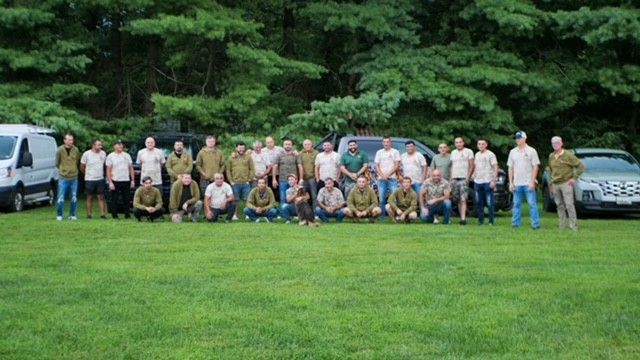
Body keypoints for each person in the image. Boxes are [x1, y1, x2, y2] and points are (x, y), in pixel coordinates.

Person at [548, 136, 585, 230]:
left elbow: (580, 166)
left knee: (569, 204)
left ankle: (573, 226)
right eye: (553, 143)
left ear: (561, 143)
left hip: (566, 183)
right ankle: (562, 225)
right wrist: (551, 184)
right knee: (559, 205)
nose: (555, 144)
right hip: (555, 184)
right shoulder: (551, 156)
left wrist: (574, 178)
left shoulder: (568, 155)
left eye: (557, 142)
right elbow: (550, 170)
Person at [507, 131, 541, 229]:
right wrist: (511, 182)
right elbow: (510, 167)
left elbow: (535, 166)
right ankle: (515, 224)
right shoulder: (513, 152)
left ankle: (535, 224)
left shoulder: (531, 151)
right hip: (517, 183)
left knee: (532, 204)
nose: (518, 140)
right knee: (516, 204)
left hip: (528, 182)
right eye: (517, 138)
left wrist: (532, 181)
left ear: (525, 139)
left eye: (520, 138)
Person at [471, 138, 498, 225]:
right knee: (479, 202)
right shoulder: (477, 154)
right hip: (478, 181)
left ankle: (491, 221)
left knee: (490, 202)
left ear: (486, 145)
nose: (481, 146)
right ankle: (481, 221)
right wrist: (473, 175)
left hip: (488, 180)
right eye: (479, 144)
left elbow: (495, 167)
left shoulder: (490, 154)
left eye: (483, 144)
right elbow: (476, 166)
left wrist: (494, 180)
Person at [106, 139, 135, 219]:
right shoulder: (110, 156)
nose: (120, 146)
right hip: (115, 180)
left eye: (121, 144)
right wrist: (110, 182)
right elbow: (108, 170)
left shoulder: (127, 155)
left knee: (126, 198)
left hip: (125, 180)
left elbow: (131, 168)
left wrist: (132, 180)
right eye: (118, 145)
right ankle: (114, 215)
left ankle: (127, 214)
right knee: (114, 199)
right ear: (114, 146)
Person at [272, 138, 303, 211]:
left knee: (295, 197)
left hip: (294, 181)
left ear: (292, 145)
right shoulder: (279, 155)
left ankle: (296, 212)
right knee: (283, 197)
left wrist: (301, 178)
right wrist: (274, 179)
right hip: (283, 180)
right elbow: (275, 166)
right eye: (286, 144)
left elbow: (300, 166)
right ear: (283, 145)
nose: (287, 146)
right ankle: (284, 214)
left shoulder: (296, 155)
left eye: (289, 144)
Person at [226, 141, 255, 219]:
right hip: (235, 183)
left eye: (243, 148)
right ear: (236, 148)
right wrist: (231, 181)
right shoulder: (231, 157)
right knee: (236, 200)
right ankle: (235, 215)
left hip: (246, 182)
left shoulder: (248, 157)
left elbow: (252, 169)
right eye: (239, 148)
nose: (241, 149)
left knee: (247, 199)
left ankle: (248, 214)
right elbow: (228, 170)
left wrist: (249, 179)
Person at [55, 133, 81, 221]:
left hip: (74, 177)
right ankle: (59, 215)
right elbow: (57, 163)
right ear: (65, 140)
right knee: (61, 197)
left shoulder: (76, 150)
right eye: (69, 140)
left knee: (74, 197)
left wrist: (73, 169)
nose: (71, 142)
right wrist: (63, 169)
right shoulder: (60, 150)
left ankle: (72, 214)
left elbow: (77, 160)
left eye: (72, 140)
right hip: (63, 177)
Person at [449, 137, 474, 225]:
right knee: (457, 199)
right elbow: (452, 166)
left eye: (460, 142)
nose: (458, 144)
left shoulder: (469, 152)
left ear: (463, 143)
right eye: (456, 142)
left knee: (463, 199)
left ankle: (463, 219)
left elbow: (471, 165)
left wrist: (468, 177)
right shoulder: (453, 152)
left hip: (463, 178)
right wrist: (450, 179)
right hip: (454, 179)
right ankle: (461, 216)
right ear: (455, 144)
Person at [374, 136, 401, 219]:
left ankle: (395, 215)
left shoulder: (395, 152)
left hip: (392, 178)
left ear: (390, 143)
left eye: (387, 142)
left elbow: (397, 165)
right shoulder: (379, 152)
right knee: (382, 198)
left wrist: (388, 175)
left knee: (394, 198)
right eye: (384, 142)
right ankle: (382, 216)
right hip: (381, 179)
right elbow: (376, 165)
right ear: (382, 143)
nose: (386, 143)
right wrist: (382, 175)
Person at [80, 139, 107, 219]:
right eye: (98, 145)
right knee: (89, 196)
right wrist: (87, 174)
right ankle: (89, 214)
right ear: (93, 145)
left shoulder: (103, 153)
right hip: (89, 179)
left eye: (101, 145)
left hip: (100, 178)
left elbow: (105, 165)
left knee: (101, 196)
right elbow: (82, 166)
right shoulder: (86, 154)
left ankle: (102, 214)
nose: (100, 147)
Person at [299, 139, 319, 206]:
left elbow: (318, 166)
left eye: (308, 144)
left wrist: (317, 176)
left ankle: (315, 212)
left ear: (311, 144)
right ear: (303, 146)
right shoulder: (301, 153)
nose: (307, 146)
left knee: (314, 195)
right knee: (303, 196)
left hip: (312, 178)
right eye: (305, 144)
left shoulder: (316, 153)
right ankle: (305, 211)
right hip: (303, 179)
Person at [264, 136, 284, 200]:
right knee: (269, 192)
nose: (269, 144)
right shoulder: (262, 150)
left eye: (271, 142)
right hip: (268, 174)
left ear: (274, 142)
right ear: (265, 143)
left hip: (279, 174)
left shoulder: (280, 149)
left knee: (279, 192)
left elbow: (288, 153)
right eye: (268, 142)